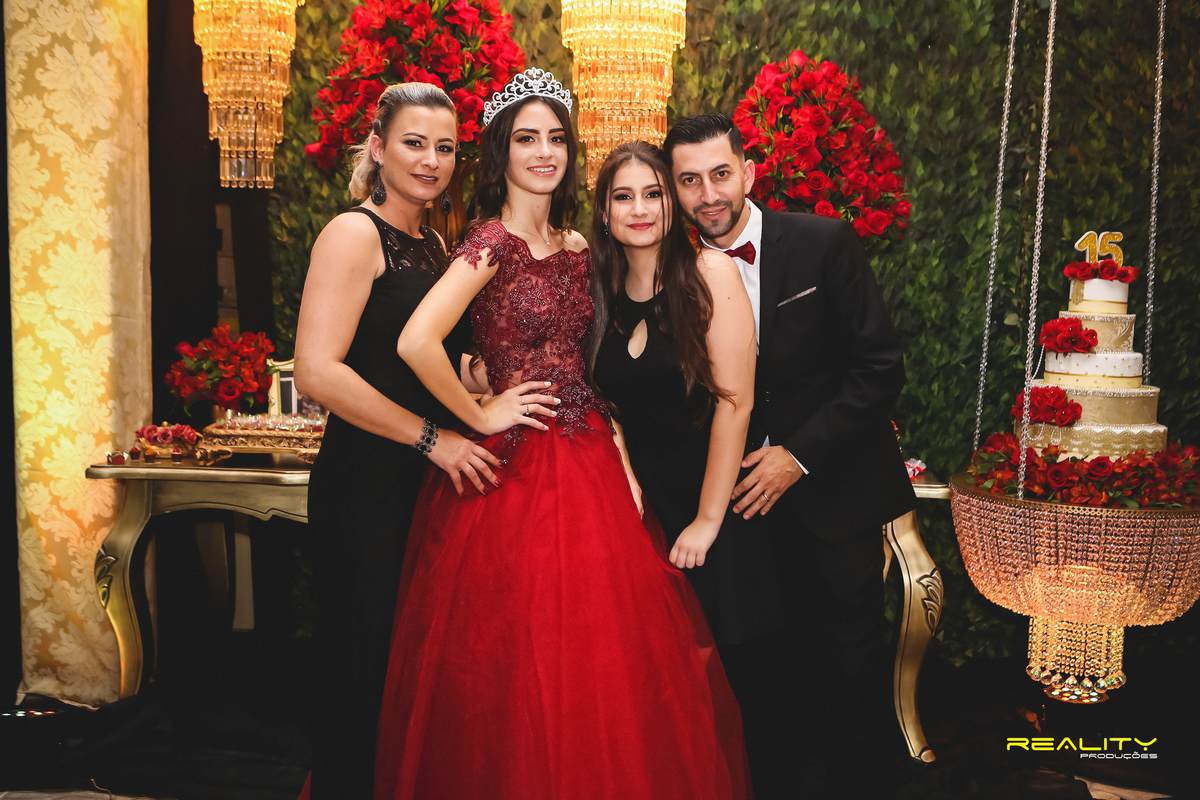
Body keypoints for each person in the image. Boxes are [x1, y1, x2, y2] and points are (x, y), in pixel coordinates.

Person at [372, 70, 750, 800]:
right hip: (515, 470)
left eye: (556, 139)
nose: (544, 152)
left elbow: (591, 359)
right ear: (501, 152)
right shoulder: (490, 241)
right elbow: (416, 341)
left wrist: (620, 453)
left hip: (589, 458)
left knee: (600, 652)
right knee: (516, 652)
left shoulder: (579, 244)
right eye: (527, 139)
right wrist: (480, 412)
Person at [293, 82, 553, 799]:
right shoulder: (354, 234)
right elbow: (318, 370)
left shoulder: (434, 243)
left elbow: (426, 358)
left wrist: (490, 382)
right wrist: (433, 438)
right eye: (414, 143)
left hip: (424, 478)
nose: (431, 161)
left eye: (445, 147)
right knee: (363, 659)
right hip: (368, 481)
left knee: (410, 670)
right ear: (378, 148)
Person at [662, 113, 916, 798]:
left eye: (720, 174)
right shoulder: (670, 272)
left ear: (748, 172)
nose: (708, 194)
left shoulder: (822, 241)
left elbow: (878, 370)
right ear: (674, 190)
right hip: (741, 512)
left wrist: (796, 457)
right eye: (689, 181)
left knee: (849, 661)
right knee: (771, 670)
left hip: (834, 494)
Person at [590, 142, 781, 645]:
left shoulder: (709, 273)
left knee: (727, 657)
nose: (639, 209)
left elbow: (736, 404)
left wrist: (707, 520)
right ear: (604, 212)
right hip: (639, 509)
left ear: (673, 204)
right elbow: (601, 404)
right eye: (623, 197)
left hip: (715, 501)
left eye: (653, 194)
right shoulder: (600, 293)